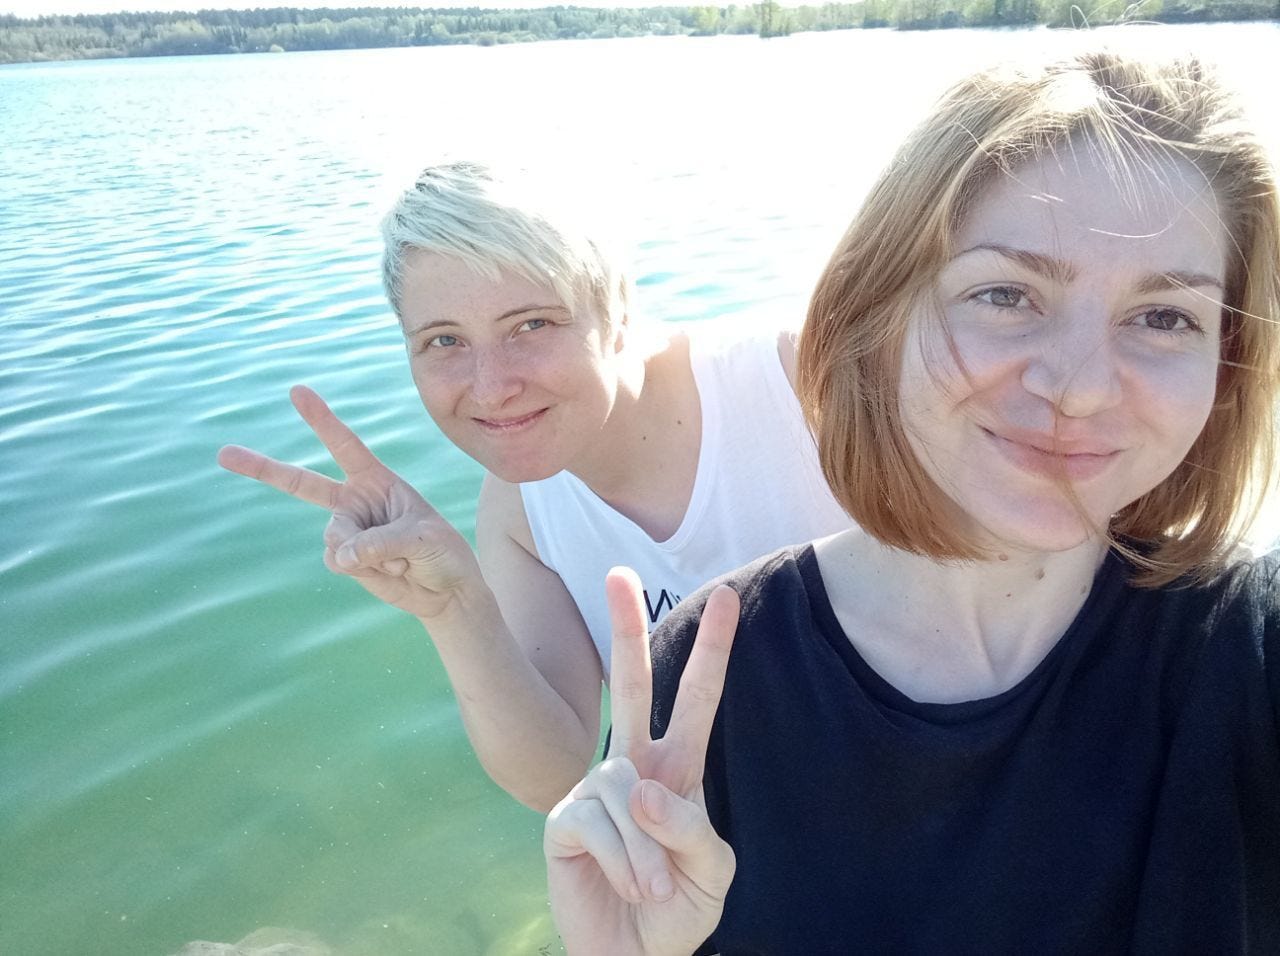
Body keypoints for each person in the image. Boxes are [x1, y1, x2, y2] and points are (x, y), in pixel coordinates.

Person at [544, 44, 1280, 953]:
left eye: (1166, 316)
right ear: (876, 316)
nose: (1081, 386)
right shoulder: (707, 676)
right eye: (1006, 293)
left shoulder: (1251, 649)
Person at [218, 162, 851, 812]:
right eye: (444, 340)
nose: (491, 386)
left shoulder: (802, 387)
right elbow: (552, 774)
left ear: (618, 312)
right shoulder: (519, 509)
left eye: (532, 325)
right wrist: (455, 608)